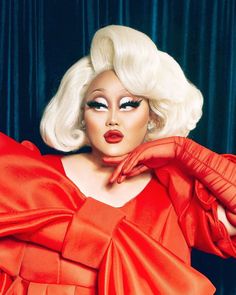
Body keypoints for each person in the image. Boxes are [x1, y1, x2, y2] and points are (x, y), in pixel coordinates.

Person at [0, 25, 235, 295]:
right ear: (80, 115)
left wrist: (183, 151)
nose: (113, 118)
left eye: (128, 105)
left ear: (153, 117)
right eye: (98, 105)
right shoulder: (32, 177)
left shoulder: (177, 197)